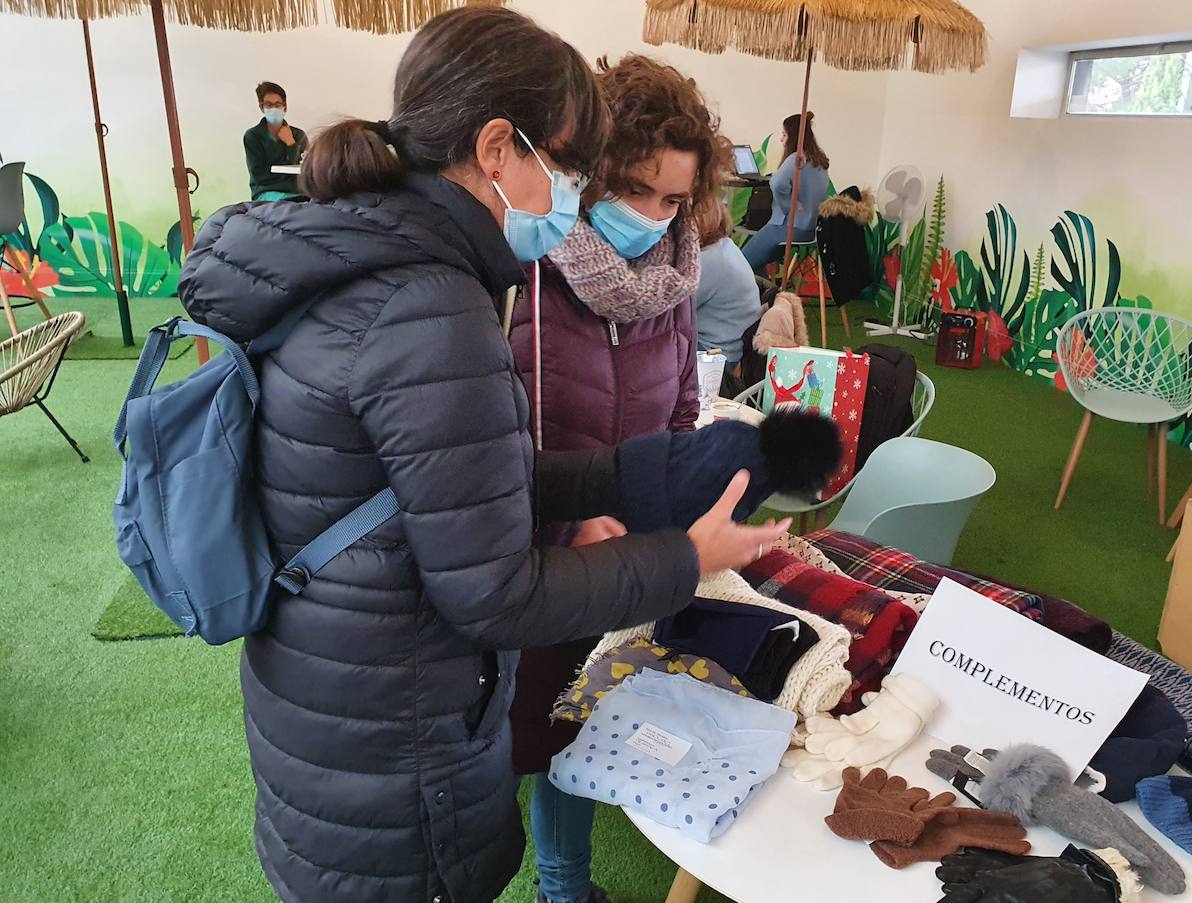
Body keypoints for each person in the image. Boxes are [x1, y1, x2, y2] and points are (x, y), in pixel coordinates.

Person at [176, 9, 788, 903]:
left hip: (335, 688)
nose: (574, 194)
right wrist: (684, 558)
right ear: (499, 147)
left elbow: (458, 479)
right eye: (574, 167)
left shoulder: (355, 253)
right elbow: (493, 588)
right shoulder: (435, 311)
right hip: (399, 731)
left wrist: (634, 473)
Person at [506, 53, 731, 903]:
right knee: (510, 726)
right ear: (588, 170)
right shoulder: (520, 268)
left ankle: (563, 886)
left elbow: (678, 415)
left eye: (674, 198)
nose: (653, 215)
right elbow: (480, 446)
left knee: (579, 721)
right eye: (635, 189)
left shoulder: (676, 279)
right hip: (523, 551)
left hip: (625, 555)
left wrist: (668, 501)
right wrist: (569, 525)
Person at [741, 111, 831, 271]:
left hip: (787, 228)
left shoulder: (797, 159)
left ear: (794, 136)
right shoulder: (820, 160)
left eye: (784, 134)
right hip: (811, 232)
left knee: (742, 262)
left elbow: (776, 183)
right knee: (759, 260)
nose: (781, 139)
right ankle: (764, 292)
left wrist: (788, 205)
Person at [695, 197, 762, 367]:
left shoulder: (709, 260)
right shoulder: (724, 247)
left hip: (714, 355)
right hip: (731, 346)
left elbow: (668, 310)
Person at [243, 81, 307, 201]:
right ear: (261, 107)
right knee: (290, 206)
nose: (274, 109)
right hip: (266, 191)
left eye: (277, 105)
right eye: (269, 105)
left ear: (285, 106)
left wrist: (291, 144)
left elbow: (304, 169)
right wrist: (287, 175)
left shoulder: (299, 135)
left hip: (299, 192)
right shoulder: (253, 136)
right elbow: (259, 176)